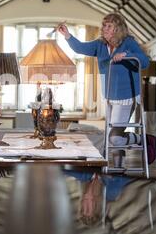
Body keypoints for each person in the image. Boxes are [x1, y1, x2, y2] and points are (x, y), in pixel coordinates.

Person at [58, 14, 149, 168]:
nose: (104, 29)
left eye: (109, 26)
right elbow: (80, 48)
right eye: (104, 25)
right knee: (114, 137)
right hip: (110, 97)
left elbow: (145, 61)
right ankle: (120, 168)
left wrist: (127, 55)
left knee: (113, 138)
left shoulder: (128, 43)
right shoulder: (100, 45)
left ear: (117, 28)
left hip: (127, 97)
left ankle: (140, 140)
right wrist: (67, 35)